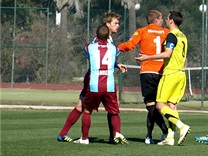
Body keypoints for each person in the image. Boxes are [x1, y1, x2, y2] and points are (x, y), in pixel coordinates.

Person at [57, 12, 127, 143]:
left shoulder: (108, 41)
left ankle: (112, 136)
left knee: (107, 108)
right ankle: (64, 134)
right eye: (115, 23)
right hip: (93, 78)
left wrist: (117, 65)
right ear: (107, 25)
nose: (118, 26)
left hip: (100, 78)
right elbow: (97, 58)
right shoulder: (99, 41)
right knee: (82, 106)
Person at [135, 11, 191, 146]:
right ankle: (170, 137)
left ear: (171, 21)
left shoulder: (171, 35)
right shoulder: (183, 36)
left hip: (170, 73)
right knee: (172, 105)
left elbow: (167, 54)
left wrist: (146, 57)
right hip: (181, 74)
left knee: (160, 105)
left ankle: (181, 125)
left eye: (167, 18)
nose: (166, 20)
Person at [118, 10, 170, 144]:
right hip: (162, 71)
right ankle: (149, 136)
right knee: (155, 105)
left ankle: (165, 131)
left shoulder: (142, 31)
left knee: (151, 105)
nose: (163, 21)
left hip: (147, 71)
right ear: (157, 20)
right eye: (162, 18)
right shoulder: (166, 32)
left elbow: (129, 45)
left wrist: (114, 48)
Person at [74, 25, 127, 145]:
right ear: (109, 36)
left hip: (94, 85)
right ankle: (117, 132)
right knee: (114, 111)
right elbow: (115, 56)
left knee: (87, 111)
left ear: (96, 36)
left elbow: (89, 55)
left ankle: (84, 138)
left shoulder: (89, 47)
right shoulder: (114, 48)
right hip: (109, 85)